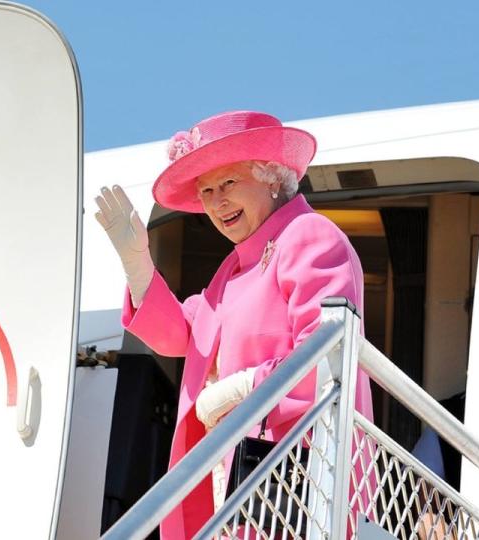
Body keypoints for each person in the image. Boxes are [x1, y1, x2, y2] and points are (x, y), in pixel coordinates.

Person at [95, 110, 374, 539]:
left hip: (304, 485)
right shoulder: (230, 271)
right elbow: (183, 336)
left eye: (227, 183)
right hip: (245, 484)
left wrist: (242, 388)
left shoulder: (309, 236)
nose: (216, 201)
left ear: (271, 177)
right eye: (206, 190)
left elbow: (327, 358)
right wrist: (138, 266)